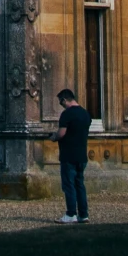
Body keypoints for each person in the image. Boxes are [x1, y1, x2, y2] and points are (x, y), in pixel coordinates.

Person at [54, 87, 92, 223]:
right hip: (82, 155)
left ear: (65, 100)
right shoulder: (86, 114)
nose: (61, 105)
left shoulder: (67, 114)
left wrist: (53, 137)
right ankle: (83, 214)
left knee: (69, 185)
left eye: (60, 102)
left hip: (68, 155)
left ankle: (71, 214)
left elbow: (62, 133)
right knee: (80, 185)